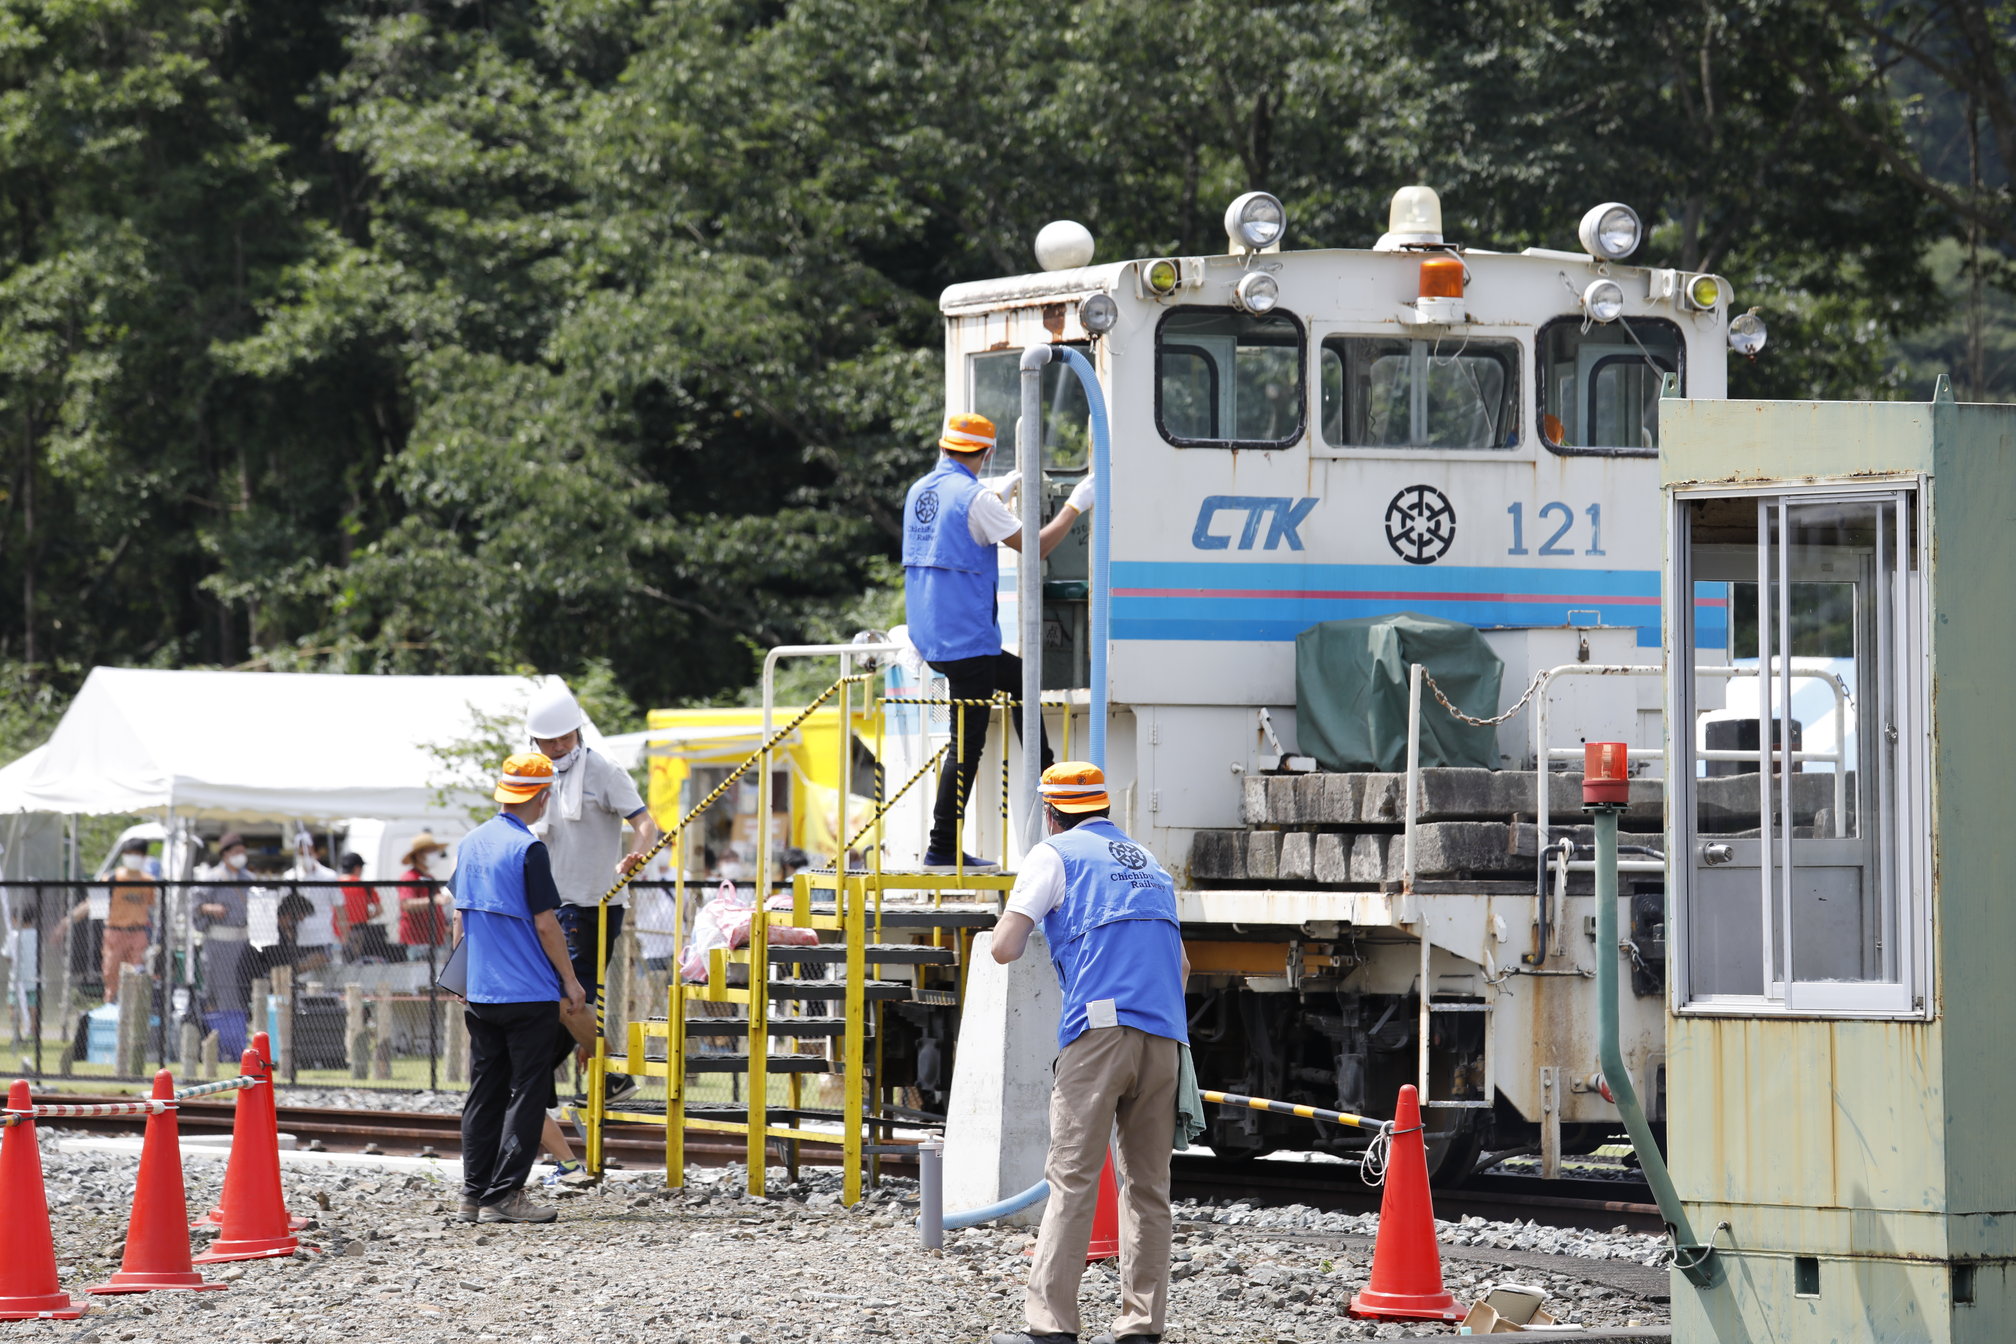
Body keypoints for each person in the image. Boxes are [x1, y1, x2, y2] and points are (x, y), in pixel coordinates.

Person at [987, 763, 1190, 1344]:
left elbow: (1004, 948)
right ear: (1105, 808)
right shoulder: (1150, 865)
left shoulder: (1054, 855)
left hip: (1099, 1035)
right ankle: (1140, 1327)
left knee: (1073, 1180)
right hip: (1164, 1037)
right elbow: (1181, 967)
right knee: (1148, 1187)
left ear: (1051, 811)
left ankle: (1049, 1327)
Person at [902, 412, 1091, 868]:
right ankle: (942, 847)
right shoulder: (975, 499)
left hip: (932, 635)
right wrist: (1075, 506)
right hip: (968, 641)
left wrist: (995, 498)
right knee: (965, 746)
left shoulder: (921, 491)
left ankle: (1046, 782)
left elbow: (958, 536)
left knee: (1024, 679)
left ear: (944, 447)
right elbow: (1037, 546)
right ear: (985, 454)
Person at [451, 751, 586, 1225]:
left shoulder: (470, 843)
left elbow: (461, 917)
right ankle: (505, 1196)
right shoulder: (529, 850)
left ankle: (472, 1195)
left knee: (484, 1092)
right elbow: (547, 924)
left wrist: (462, 977)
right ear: (543, 795)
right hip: (528, 992)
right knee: (526, 1093)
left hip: (481, 992)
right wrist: (570, 981)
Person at [524, 682, 656, 1102]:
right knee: (553, 999)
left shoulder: (604, 770)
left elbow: (648, 825)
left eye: (568, 735)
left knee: (568, 998)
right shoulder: (531, 773)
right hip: (547, 906)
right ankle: (551, 1081)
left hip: (591, 905)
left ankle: (591, 1074)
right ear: (535, 740)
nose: (561, 745)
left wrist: (635, 854)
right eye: (551, 739)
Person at [61, 838, 155, 1005]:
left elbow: (154, 907)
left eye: (137, 854)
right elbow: (92, 904)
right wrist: (66, 923)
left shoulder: (148, 881)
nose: (134, 857)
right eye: (130, 854)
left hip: (138, 933)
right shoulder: (113, 878)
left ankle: (134, 1016)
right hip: (115, 933)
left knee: (136, 978)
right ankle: (110, 1010)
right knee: (112, 978)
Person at [192, 833, 254, 1019]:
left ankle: (239, 1024)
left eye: (242, 852)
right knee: (218, 986)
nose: (240, 856)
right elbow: (195, 905)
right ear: (225, 854)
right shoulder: (212, 877)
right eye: (236, 852)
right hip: (218, 942)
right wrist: (209, 908)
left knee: (241, 985)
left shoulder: (248, 878)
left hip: (243, 941)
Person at [396, 832, 451, 960]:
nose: (435, 854)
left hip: (433, 939)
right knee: (418, 978)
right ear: (419, 855)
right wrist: (434, 900)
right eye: (431, 851)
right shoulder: (409, 877)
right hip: (416, 941)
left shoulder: (429, 878)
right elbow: (406, 904)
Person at [336, 852, 392, 961]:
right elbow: (379, 910)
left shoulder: (333, 884)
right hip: (357, 929)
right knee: (353, 961)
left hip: (334, 929)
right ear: (357, 868)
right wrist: (363, 917)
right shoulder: (365, 886)